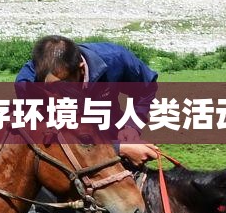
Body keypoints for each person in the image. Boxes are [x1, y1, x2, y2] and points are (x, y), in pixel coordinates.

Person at [14, 34, 161, 166]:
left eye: (62, 87)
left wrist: (131, 126)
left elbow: (147, 88)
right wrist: (118, 149)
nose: (56, 96)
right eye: (50, 89)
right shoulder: (28, 84)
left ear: (81, 69)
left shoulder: (115, 58)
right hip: (68, 149)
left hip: (109, 129)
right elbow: (54, 139)